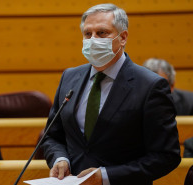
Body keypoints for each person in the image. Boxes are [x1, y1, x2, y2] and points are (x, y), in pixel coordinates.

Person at [40, 3, 181, 185]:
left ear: (123, 37)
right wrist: (60, 159)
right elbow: (52, 136)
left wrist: (106, 176)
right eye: (87, 34)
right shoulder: (70, 77)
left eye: (102, 33)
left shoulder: (151, 86)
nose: (93, 40)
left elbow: (166, 156)